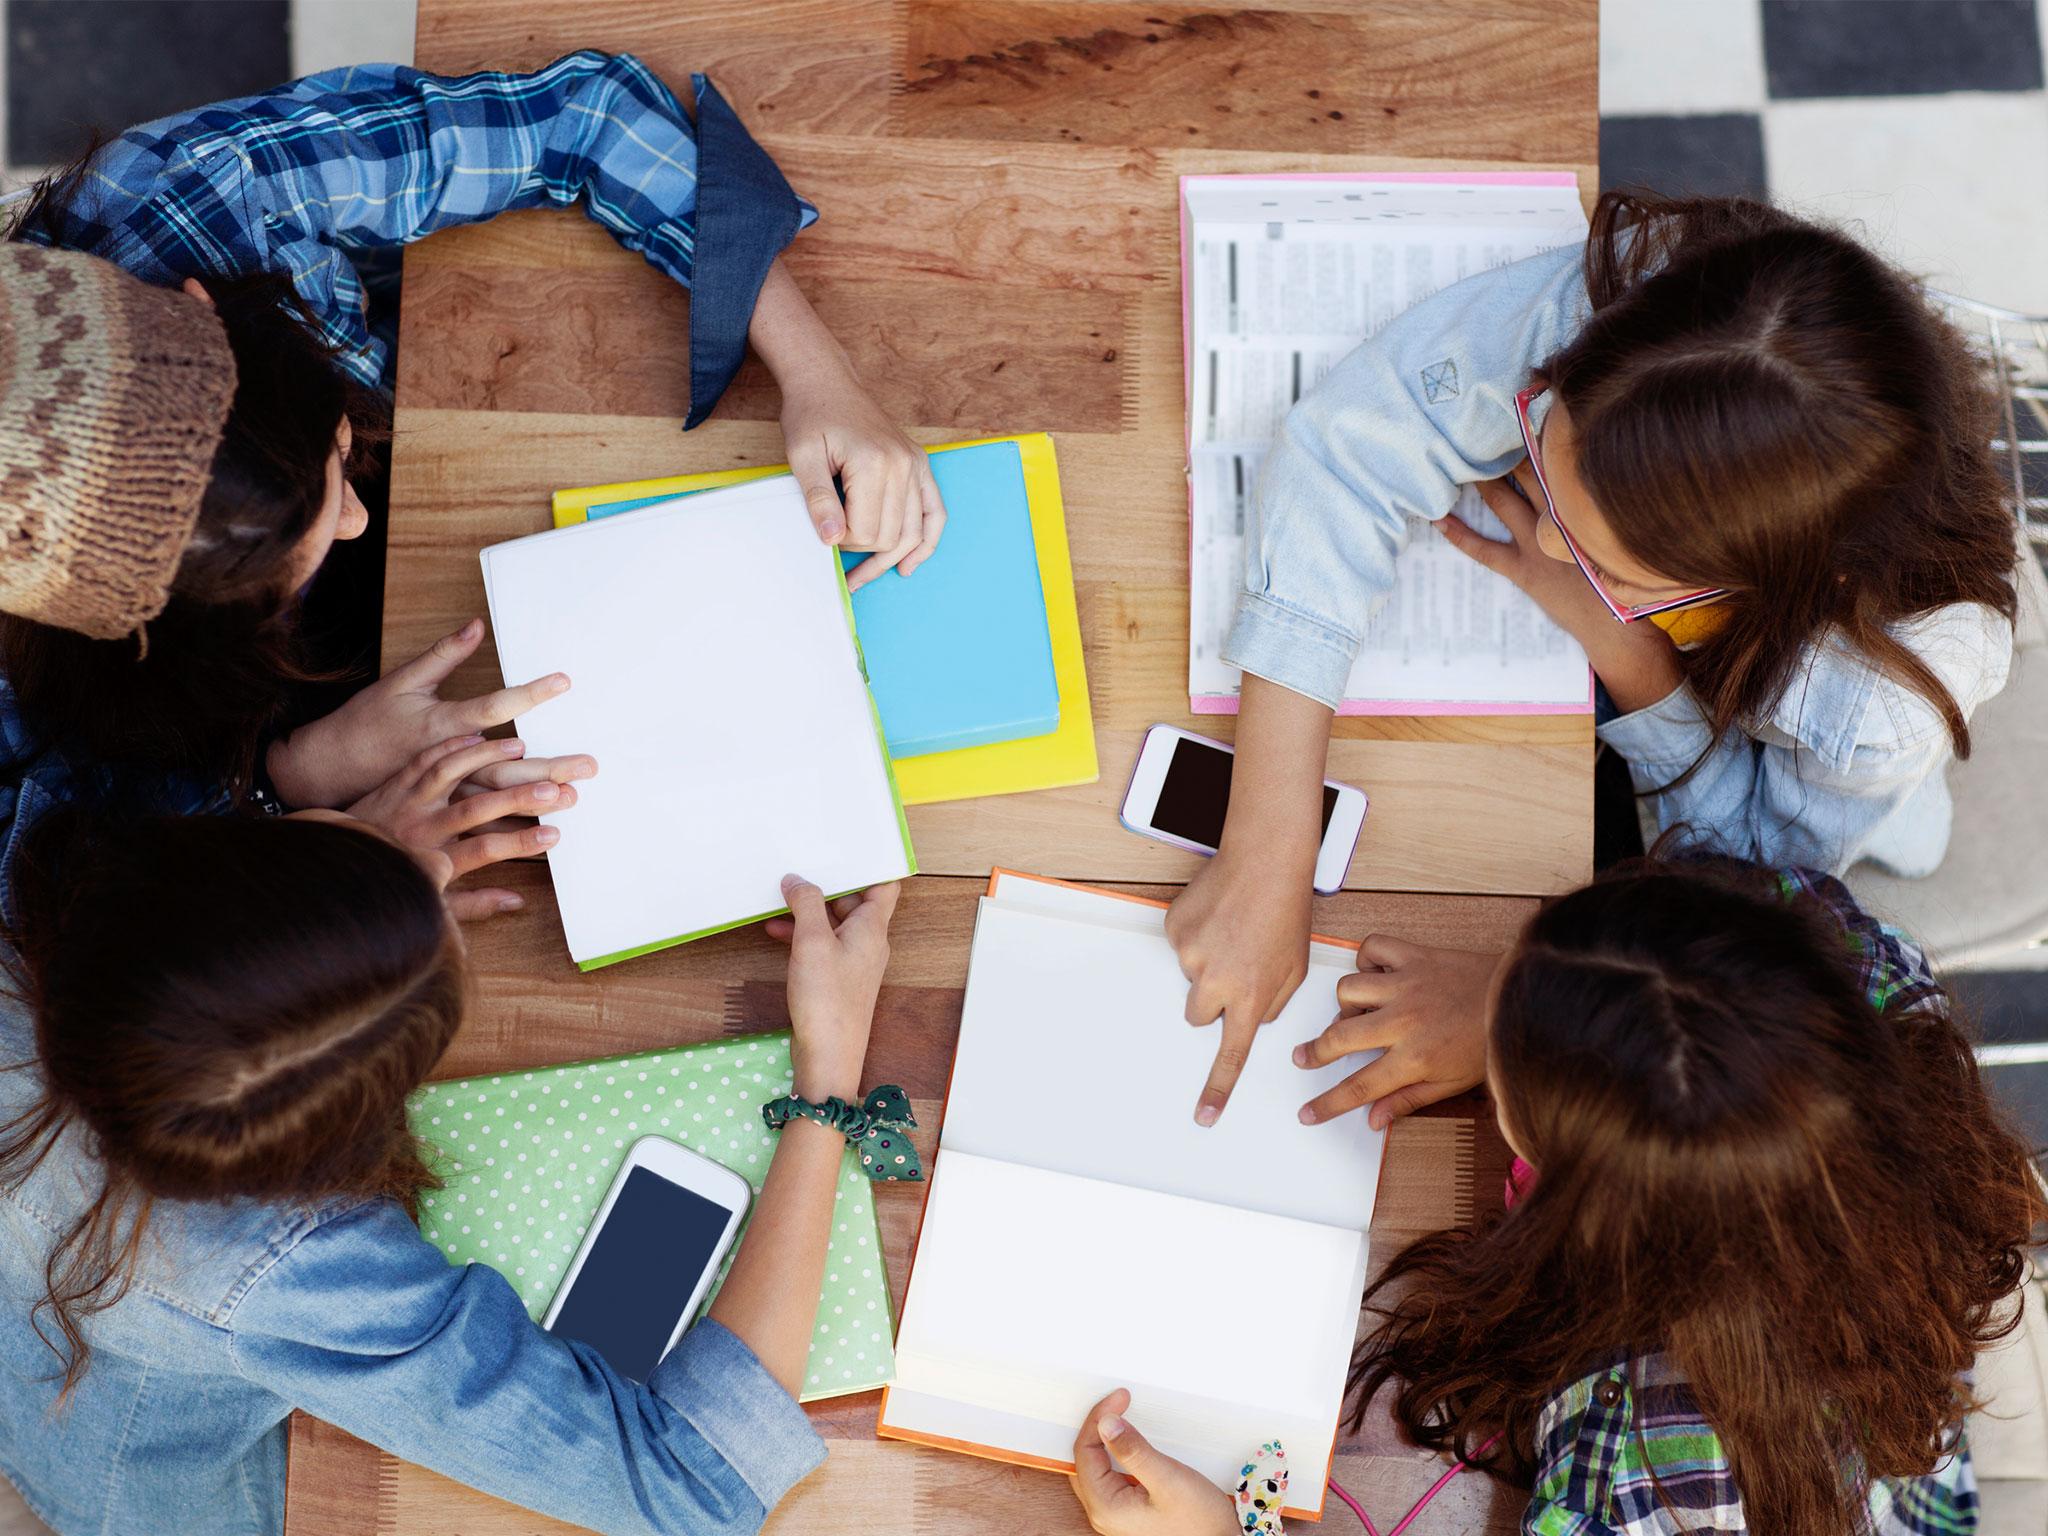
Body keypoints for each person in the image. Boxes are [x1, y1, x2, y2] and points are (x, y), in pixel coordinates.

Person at [0, 51, 944, 904]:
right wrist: (293, 789)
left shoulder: (195, 197)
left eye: (335, 453)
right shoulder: (36, 720)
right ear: (131, 626)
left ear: (205, 308)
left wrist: (819, 371)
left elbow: (586, 119)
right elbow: (96, 910)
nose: (360, 524)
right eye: (295, 550)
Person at [1166, 192, 2019, 1124]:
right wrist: (1270, 840)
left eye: (1607, 564)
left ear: (1757, 586)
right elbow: (1359, 434)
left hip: (1800, 788)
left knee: (1886, 829)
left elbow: (1757, 878)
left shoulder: (1872, 705)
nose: (1539, 547)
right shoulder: (1661, 310)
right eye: (1543, 450)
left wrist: (1631, 657)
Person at [0, 786, 899, 1536]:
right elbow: (693, 1485)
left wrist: (325, 860)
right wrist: (827, 1074)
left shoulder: (41, 902)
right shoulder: (291, 1268)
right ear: (355, 1129)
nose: (435, 863)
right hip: (123, 1479)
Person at [1065, 858, 2044, 1536]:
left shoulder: (1622, 1479)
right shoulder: (1851, 965)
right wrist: (1514, 995)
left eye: (1503, 1087)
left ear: (1596, 1214)